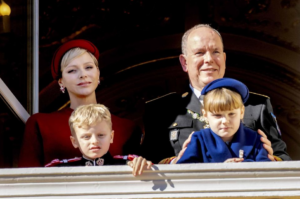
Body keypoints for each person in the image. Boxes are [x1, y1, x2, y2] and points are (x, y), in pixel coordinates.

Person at [141, 24, 290, 164]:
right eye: (199, 53)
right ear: (184, 62)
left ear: (224, 59)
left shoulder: (257, 106)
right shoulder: (160, 110)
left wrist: (271, 160)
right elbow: (145, 162)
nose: (209, 59)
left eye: (215, 52)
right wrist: (175, 163)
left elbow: (284, 159)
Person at [19, 39, 142, 167]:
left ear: (98, 73)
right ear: (61, 81)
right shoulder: (41, 124)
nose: (83, 74)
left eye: (88, 67)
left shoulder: (127, 127)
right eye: (72, 70)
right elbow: (26, 177)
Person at [177, 78, 270, 163]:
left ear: (242, 112)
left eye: (231, 114)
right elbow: (185, 171)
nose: (225, 121)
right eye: (217, 115)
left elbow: (267, 173)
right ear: (205, 115)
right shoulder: (199, 140)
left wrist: (244, 166)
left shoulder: (255, 139)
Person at [45, 104, 152, 176]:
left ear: (111, 137)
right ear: (74, 141)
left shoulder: (128, 163)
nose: (95, 141)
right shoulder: (60, 167)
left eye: (101, 135)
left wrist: (142, 164)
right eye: (86, 137)